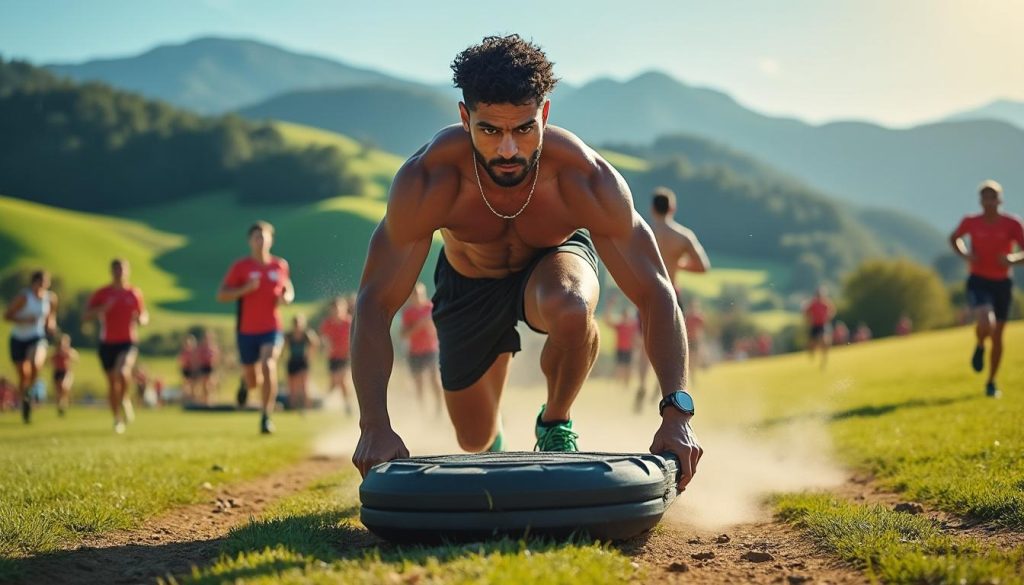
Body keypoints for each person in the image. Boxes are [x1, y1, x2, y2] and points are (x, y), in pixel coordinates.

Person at [350, 35, 702, 492]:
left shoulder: (585, 178)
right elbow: (375, 302)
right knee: (473, 438)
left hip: (553, 263)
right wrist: (374, 423)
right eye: (489, 131)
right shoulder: (429, 180)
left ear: (546, 115)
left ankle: (555, 421)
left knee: (573, 306)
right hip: (468, 283)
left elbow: (656, 290)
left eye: (524, 129)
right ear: (464, 118)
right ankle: (494, 431)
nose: (509, 150)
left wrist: (677, 413)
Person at [635, 188, 710, 406]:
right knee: (670, 345)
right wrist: (679, 263)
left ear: (652, 208)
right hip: (671, 293)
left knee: (644, 344)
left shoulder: (642, 231)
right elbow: (703, 266)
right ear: (672, 208)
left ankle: (641, 384)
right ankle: (661, 390)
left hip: (646, 291)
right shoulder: (683, 236)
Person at [217, 221, 294, 433]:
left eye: (264, 237)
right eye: (256, 237)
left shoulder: (280, 265)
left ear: (271, 240)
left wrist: (286, 297)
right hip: (246, 331)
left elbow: (288, 288)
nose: (261, 241)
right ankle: (244, 381)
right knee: (253, 382)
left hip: (272, 328)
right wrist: (245, 289)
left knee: (269, 365)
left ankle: (266, 416)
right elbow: (222, 294)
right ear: (250, 242)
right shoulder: (241, 267)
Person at [950, 180, 1024, 398]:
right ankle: (981, 344)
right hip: (978, 280)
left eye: (993, 197)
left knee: (999, 336)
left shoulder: (1012, 224)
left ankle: (991, 381)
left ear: (999, 200)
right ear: (980, 200)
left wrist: (1012, 259)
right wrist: (965, 255)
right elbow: (954, 239)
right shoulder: (970, 222)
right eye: (985, 197)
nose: (989, 201)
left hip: (1002, 283)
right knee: (986, 321)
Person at [85, 259, 148, 433]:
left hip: (127, 341)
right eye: (116, 270)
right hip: (107, 343)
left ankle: (125, 398)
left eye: (122, 269)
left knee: (122, 371)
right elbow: (87, 315)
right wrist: (102, 309)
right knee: (112, 384)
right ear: (111, 272)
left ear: (127, 271)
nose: (119, 273)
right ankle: (117, 419)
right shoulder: (102, 293)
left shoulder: (134, 293)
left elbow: (143, 314)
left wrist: (141, 320)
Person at [4, 270, 58, 424]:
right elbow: (7, 315)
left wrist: (51, 325)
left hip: (37, 337)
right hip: (18, 339)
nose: (42, 285)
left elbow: (51, 316)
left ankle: (31, 389)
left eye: (45, 282)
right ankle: (25, 400)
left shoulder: (51, 298)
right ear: (33, 282)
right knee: (22, 374)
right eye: (39, 282)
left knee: (35, 363)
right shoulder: (24, 297)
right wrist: (24, 320)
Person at [400, 283, 443, 415]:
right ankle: (422, 411)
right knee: (419, 384)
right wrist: (418, 326)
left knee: (434, 379)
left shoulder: (431, 308)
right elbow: (403, 335)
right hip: (415, 352)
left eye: (420, 293)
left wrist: (431, 327)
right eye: (415, 294)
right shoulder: (408, 313)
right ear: (411, 296)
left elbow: (441, 329)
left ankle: (439, 410)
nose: (418, 297)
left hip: (431, 350)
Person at [319, 297, 355, 415]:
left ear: (344, 309)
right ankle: (325, 402)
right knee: (334, 383)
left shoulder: (349, 322)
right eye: (333, 309)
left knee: (342, 380)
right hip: (333, 357)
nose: (336, 311)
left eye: (338, 308)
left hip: (347, 356)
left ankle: (348, 405)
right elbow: (324, 340)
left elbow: (356, 338)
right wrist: (326, 348)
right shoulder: (327, 324)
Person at [285, 314, 319, 412]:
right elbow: (283, 346)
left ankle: (307, 408)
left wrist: (309, 355)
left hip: (302, 362)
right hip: (292, 361)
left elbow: (315, 343)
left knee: (304, 386)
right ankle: (293, 408)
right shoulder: (289, 335)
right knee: (292, 388)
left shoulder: (306, 335)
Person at [604, 302, 639, 393]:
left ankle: (626, 387)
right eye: (625, 315)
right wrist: (609, 307)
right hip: (620, 349)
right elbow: (607, 321)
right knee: (620, 368)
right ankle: (618, 385)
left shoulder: (633, 326)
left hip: (630, 349)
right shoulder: (620, 325)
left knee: (628, 368)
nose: (626, 317)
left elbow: (637, 337)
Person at [803, 286, 834, 369]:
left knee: (824, 341)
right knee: (811, 344)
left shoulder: (826, 303)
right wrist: (808, 320)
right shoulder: (813, 303)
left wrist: (828, 317)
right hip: (814, 325)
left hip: (823, 325)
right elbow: (805, 312)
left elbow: (832, 310)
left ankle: (823, 361)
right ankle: (812, 354)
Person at [51, 334, 78, 416]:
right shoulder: (56, 352)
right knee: (58, 391)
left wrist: (67, 354)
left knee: (64, 387)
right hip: (57, 372)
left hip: (66, 372)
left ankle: (65, 402)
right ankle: (60, 406)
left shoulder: (69, 351)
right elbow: (50, 360)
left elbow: (76, 358)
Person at [196, 330, 220, 404]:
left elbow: (217, 357)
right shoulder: (202, 348)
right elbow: (199, 357)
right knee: (204, 383)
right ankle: (205, 399)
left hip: (211, 367)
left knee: (211, 383)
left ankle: (209, 398)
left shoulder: (213, 347)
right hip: (204, 366)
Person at [178, 334, 199, 403]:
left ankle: (193, 399)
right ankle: (187, 399)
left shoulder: (194, 352)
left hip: (192, 370)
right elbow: (181, 362)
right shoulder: (184, 352)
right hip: (186, 370)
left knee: (193, 386)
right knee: (186, 386)